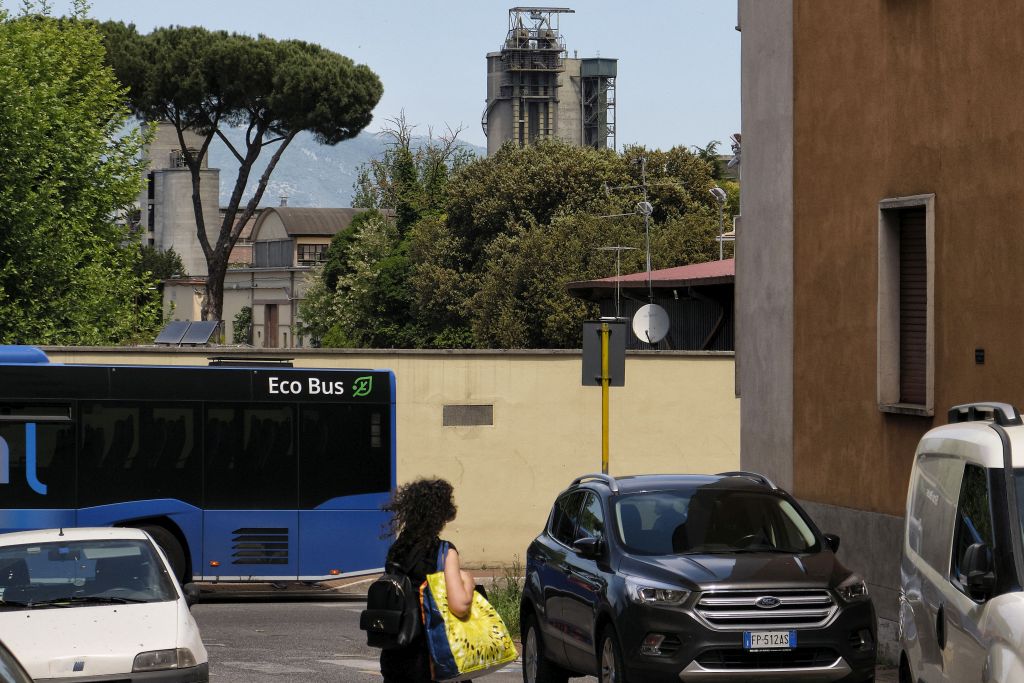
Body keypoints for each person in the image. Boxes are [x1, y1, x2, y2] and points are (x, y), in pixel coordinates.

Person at [380, 478, 475, 683]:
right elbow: (459, 605)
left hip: (394, 654)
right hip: (430, 657)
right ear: (441, 515)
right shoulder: (443, 552)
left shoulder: (396, 550)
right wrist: (468, 582)